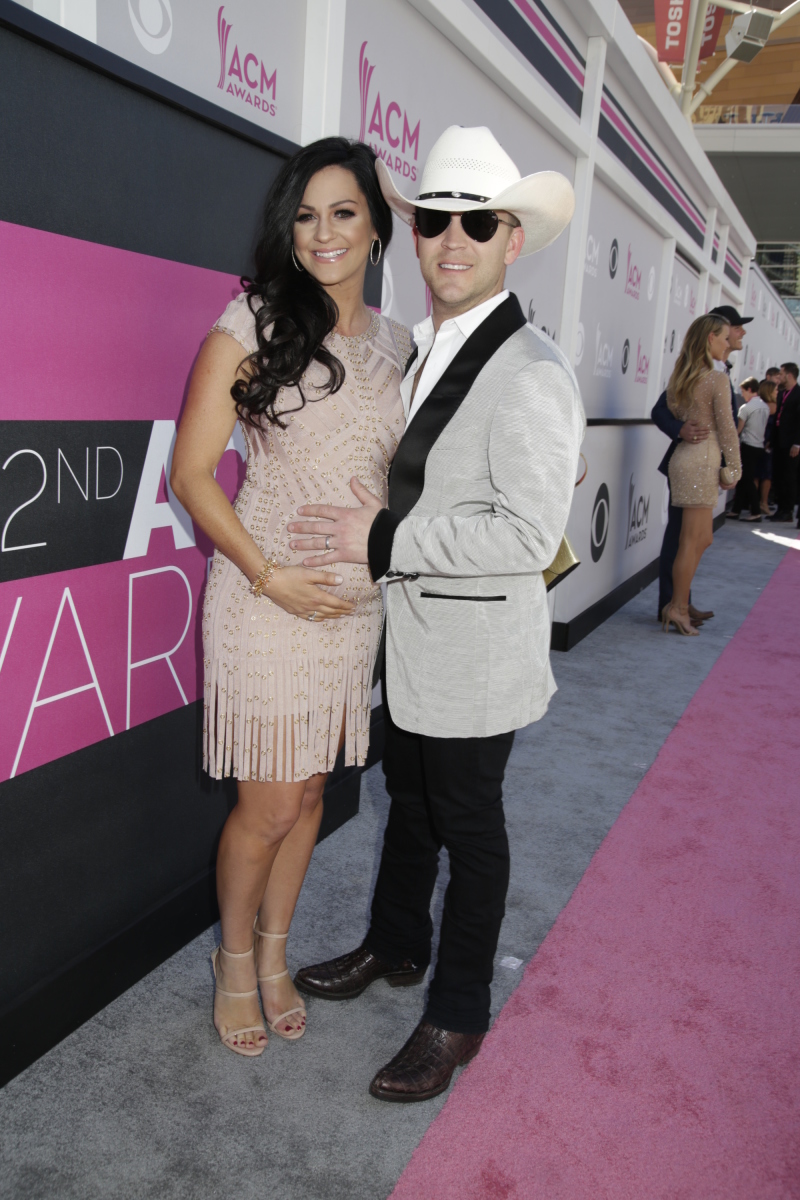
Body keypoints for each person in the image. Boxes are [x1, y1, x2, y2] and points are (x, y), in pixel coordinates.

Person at [288, 125, 584, 1102]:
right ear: (412, 238)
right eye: (435, 223)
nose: (451, 241)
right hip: (406, 648)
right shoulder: (425, 351)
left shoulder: (531, 370)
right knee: (406, 809)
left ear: (510, 238)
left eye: (476, 224)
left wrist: (376, 542)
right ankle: (394, 945)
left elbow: (522, 534)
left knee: (468, 828)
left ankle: (457, 1013)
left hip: (474, 661)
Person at [171, 138, 410, 1056]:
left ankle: (276, 956)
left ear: (378, 226)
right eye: (306, 215)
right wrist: (271, 577)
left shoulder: (400, 346)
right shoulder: (252, 322)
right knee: (267, 805)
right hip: (264, 599)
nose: (323, 233)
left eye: (344, 212)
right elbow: (193, 476)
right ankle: (235, 961)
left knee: (311, 795)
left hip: (352, 612)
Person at [662, 314, 741, 636]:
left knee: (700, 539)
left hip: (687, 458)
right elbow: (727, 427)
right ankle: (677, 608)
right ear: (710, 338)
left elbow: (677, 412)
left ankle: (678, 604)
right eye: (724, 338)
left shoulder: (684, 376)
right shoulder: (715, 379)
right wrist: (734, 467)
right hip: (700, 462)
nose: (728, 344)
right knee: (691, 540)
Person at [650, 391, 714, 625]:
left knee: (699, 540)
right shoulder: (695, 369)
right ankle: (672, 605)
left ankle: (681, 602)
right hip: (688, 469)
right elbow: (659, 411)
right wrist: (679, 429)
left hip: (709, 468)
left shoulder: (721, 371)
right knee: (680, 537)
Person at [729, 375, 767, 521]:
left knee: (746, 479)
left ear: (750, 389)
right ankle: (736, 510)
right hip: (759, 446)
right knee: (744, 478)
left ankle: (756, 512)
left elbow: (738, 429)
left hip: (748, 446)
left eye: (743, 391)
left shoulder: (746, 407)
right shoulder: (764, 406)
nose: (742, 395)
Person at [770, 362, 800, 524]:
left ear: (789, 375)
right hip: (779, 442)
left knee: (789, 477)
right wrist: (771, 440)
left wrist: (797, 443)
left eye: (781, 374)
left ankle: (787, 510)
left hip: (791, 445)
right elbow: (777, 418)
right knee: (779, 476)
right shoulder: (782, 393)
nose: (779, 377)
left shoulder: (798, 394)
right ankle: (780, 509)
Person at [760, 379, 778, 514]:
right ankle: (763, 503)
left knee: (761, 474)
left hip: (764, 441)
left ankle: (759, 503)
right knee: (766, 474)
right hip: (766, 442)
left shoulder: (764, 405)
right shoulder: (771, 406)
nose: (778, 392)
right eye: (775, 390)